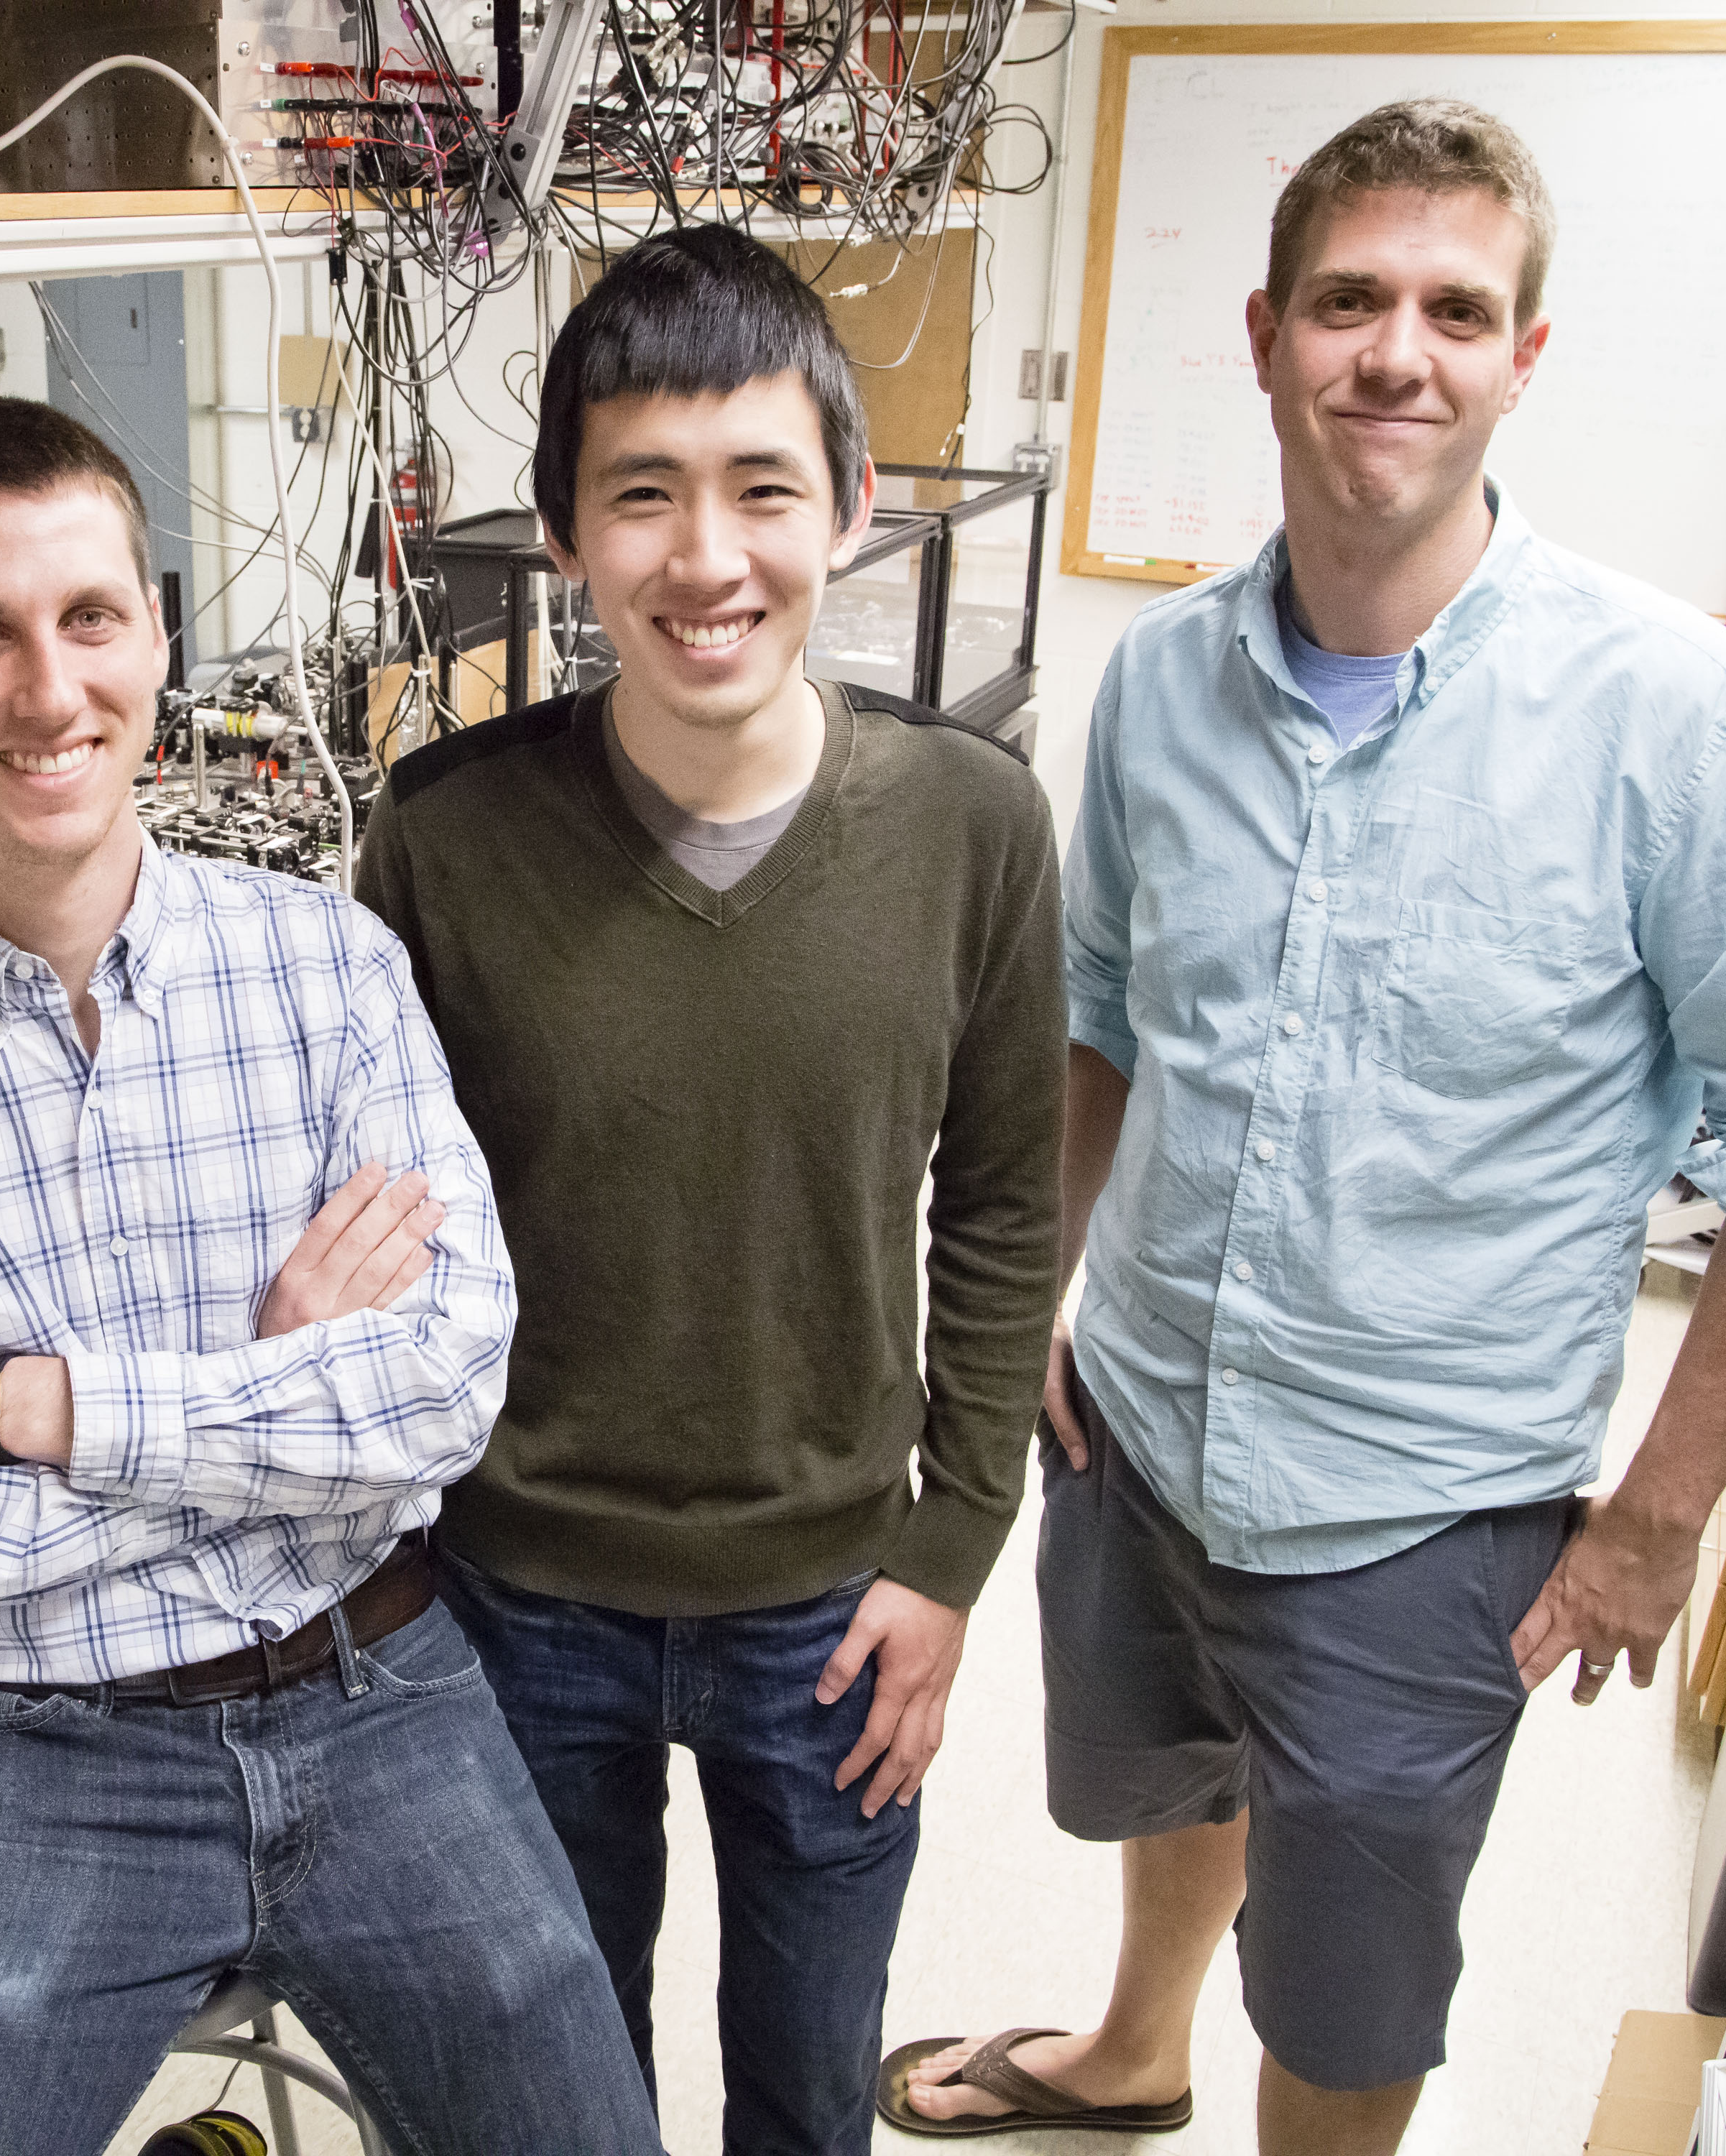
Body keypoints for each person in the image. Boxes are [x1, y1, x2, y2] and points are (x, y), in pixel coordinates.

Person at [882, 100, 1726, 2151]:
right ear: (1267, 335)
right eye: (1351, 300)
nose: (1396, 353)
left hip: (1419, 1512)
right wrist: (1034, 1316)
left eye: (1455, 309)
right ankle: (1130, 2052)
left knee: (1353, 1990)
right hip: (1139, 1424)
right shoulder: (1164, 682)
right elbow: (1097, 1026)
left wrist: (1651, 1518)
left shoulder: (1673, 720)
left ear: (1520, 358)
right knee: (1161, 1779)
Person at [0, 397, 663, 2156]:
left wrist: (40, 1410)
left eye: (88, 619)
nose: (47, 691)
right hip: (32, 1753)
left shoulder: (324, 967)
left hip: (386, 1703)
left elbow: (442, 1394)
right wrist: (284, 1394)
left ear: (154, 632)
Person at [354, 224, 1068, 2156]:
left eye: (760, 487)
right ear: (565, 532)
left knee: (809, 2099)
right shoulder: (443, 837)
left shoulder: (972, 829)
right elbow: (378, 1224)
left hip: (832, 1603)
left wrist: (947, 1551)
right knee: (550, 2098)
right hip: (516, 1598)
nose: (705, 558)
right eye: (641, 496)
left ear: (845, 507)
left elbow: (1005, 1199)